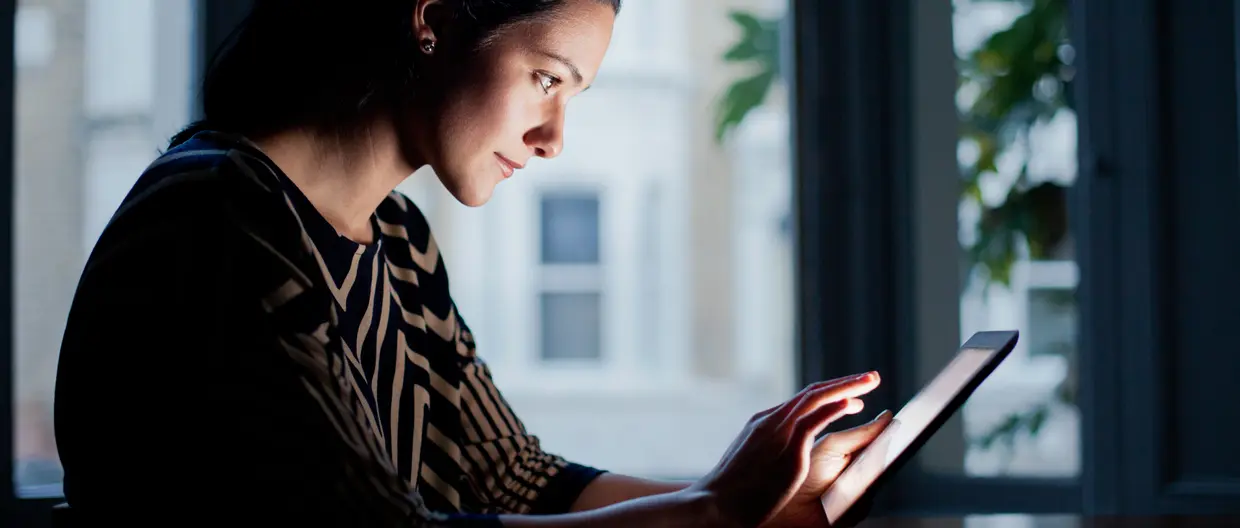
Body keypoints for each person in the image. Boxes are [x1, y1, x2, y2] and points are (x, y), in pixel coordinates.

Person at [51, 0, 894, 526]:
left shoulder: (397, 240)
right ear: (434, 23)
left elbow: (509, 478)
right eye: (544, 79)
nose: (554, 137)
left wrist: (747, 496)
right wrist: (706, 513)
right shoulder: (221, 222)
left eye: (572, 95)